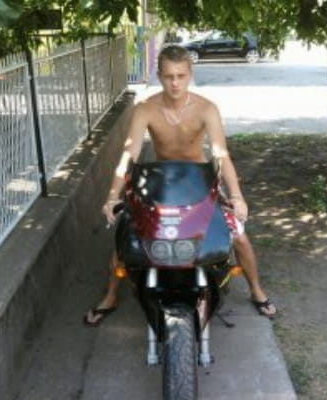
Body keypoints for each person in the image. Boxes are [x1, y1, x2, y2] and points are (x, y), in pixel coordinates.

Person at [84, 45, 277, 326]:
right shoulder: (145, 109)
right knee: (128, 236)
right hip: (160, 182)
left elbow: (221, 155)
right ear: (159, 76)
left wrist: (237, 196)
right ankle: (111, 295)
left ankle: (257, 291)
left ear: (190, 74)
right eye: (168, 76)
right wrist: (113, 195)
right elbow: (129, 154)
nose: (175, 83)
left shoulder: (206, 109)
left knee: (238, 236)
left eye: (181, 76)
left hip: (200, 181)